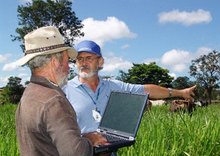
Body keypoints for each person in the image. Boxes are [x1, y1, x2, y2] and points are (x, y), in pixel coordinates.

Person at [63, 40, 196, 135]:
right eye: (79, 59)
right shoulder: (64, 90)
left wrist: (181, 92)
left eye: (88, 58)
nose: (83, 63)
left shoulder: (113, 86)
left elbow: (147, 90)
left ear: (100, 62)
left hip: (109, 150)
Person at [15, 26, 109, 156]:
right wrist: (90, 139)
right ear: (54, 62)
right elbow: (76, 153)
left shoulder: (29, 93)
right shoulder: (54, 101)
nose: (68, 67)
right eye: (66, 60)